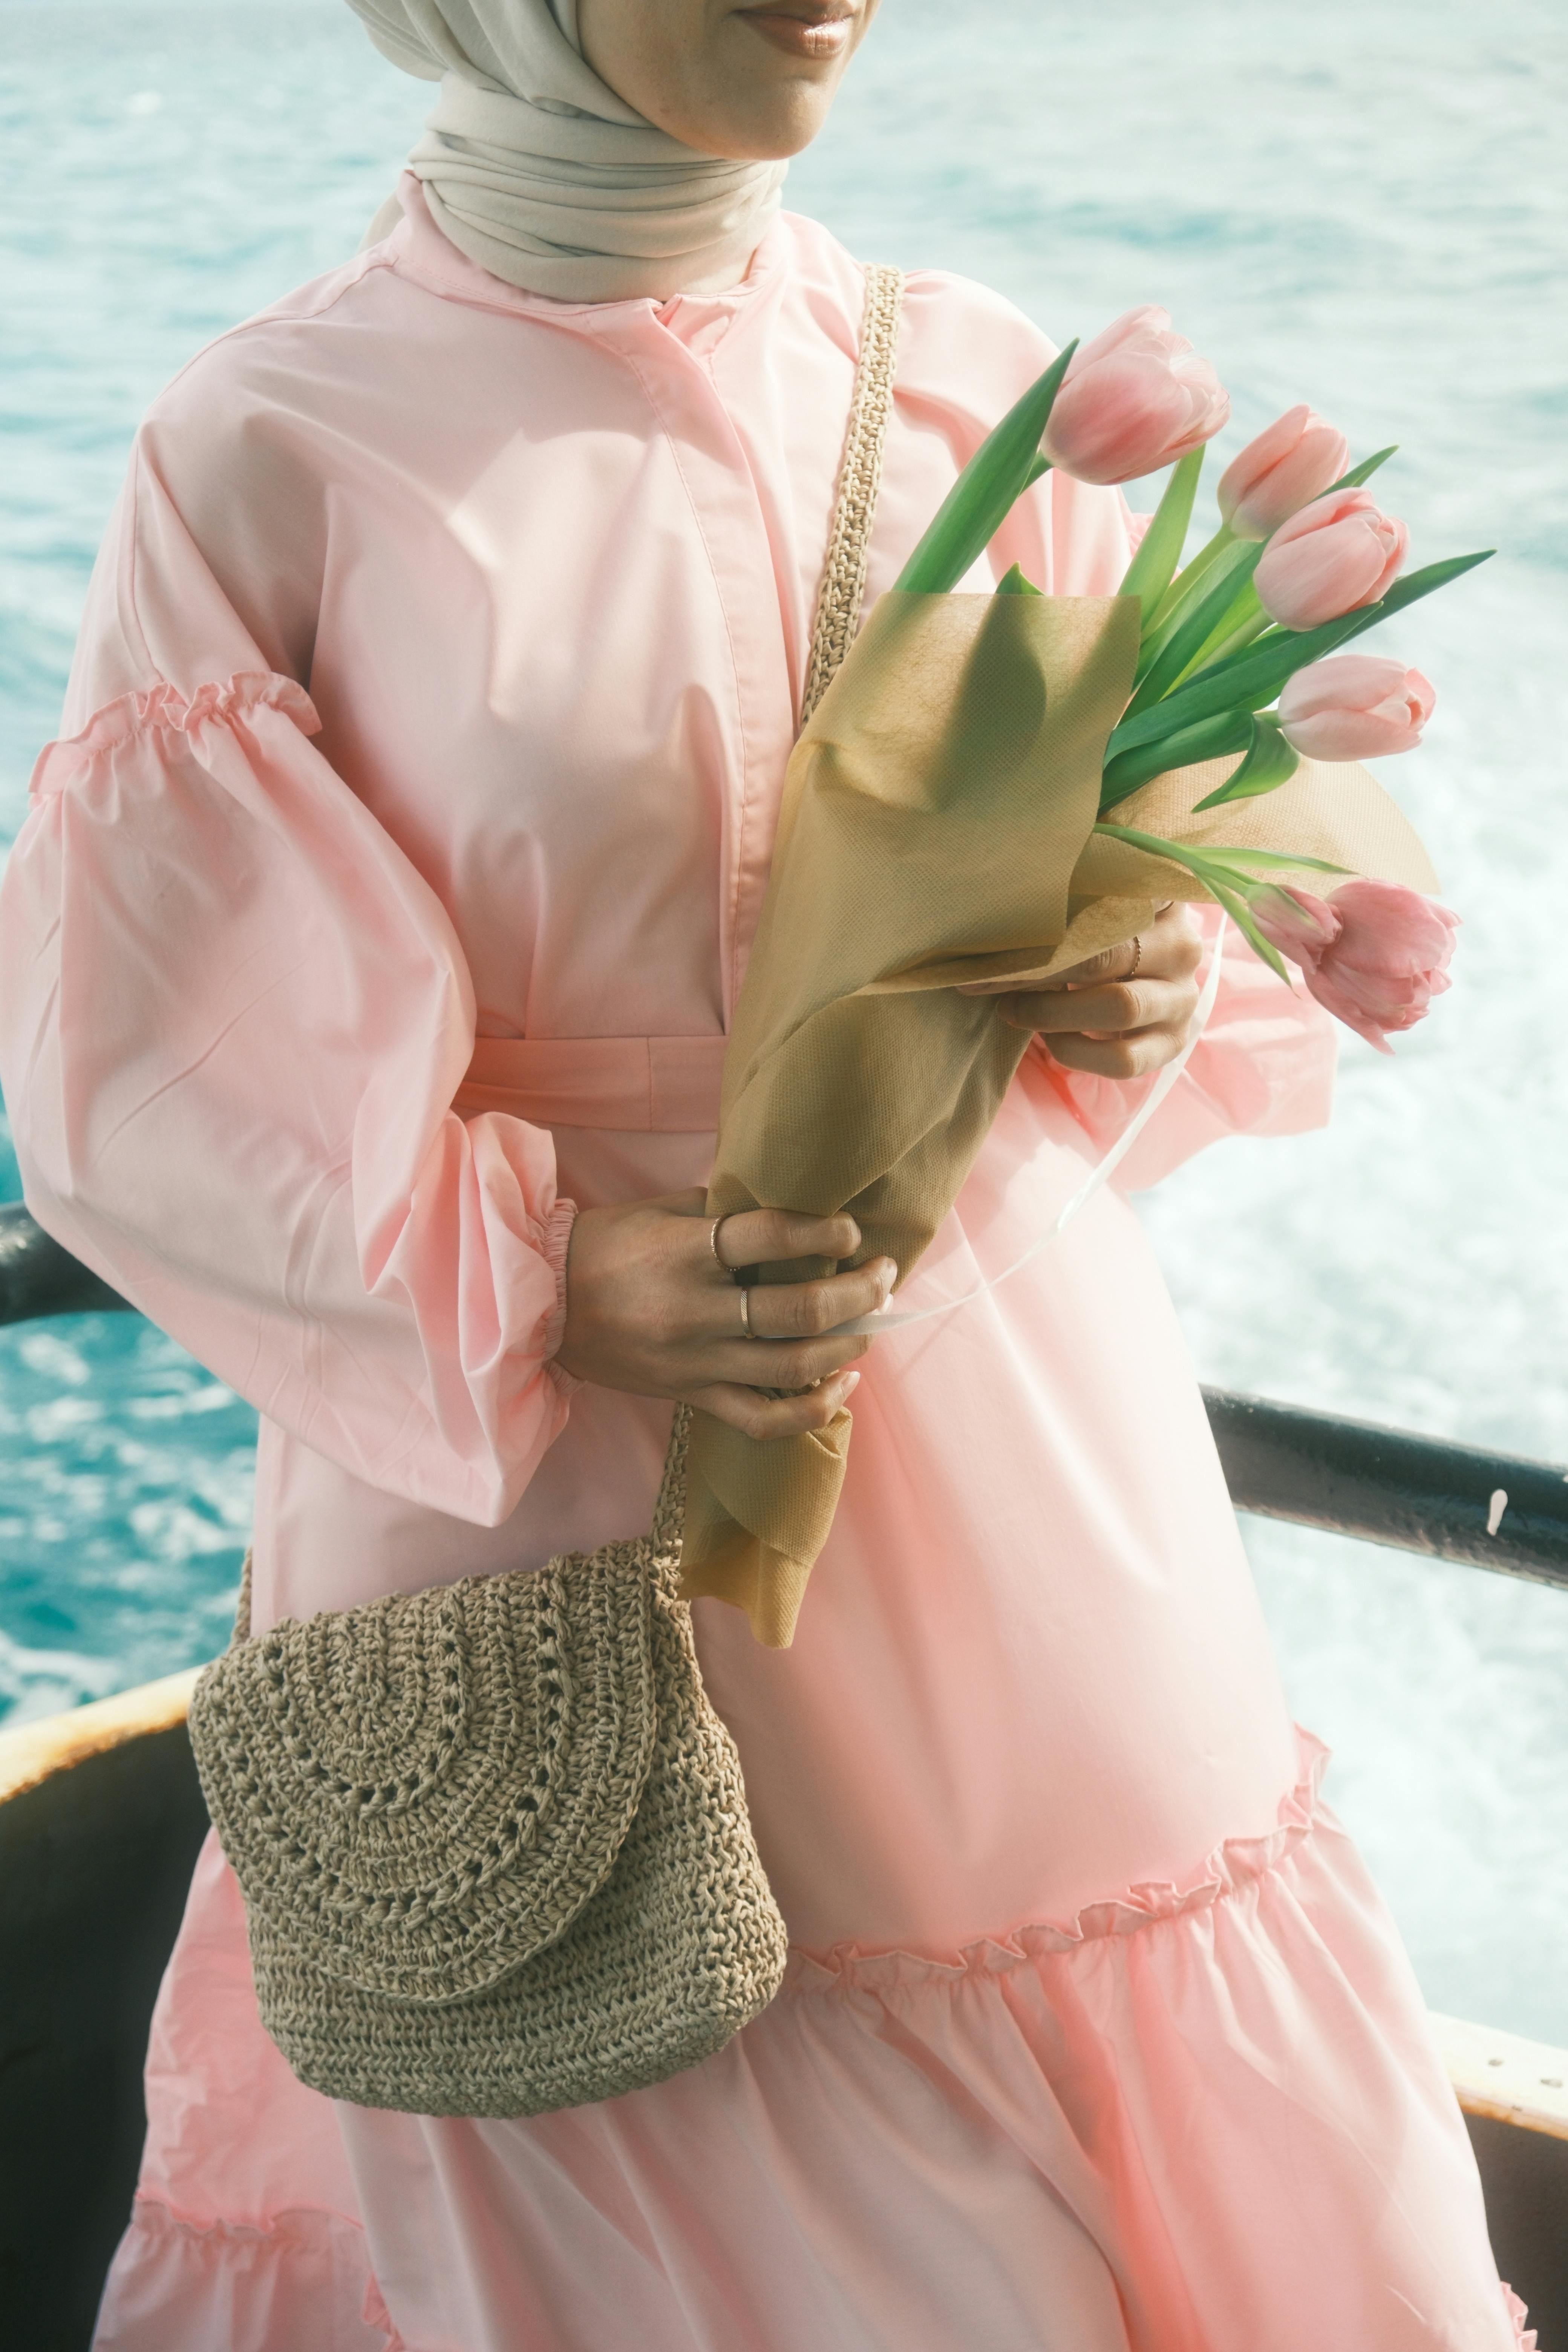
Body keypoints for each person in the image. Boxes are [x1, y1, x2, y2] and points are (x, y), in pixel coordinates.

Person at [0, 2, 1532, 2347]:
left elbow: (1113, 903)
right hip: (522, 1502)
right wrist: (554, 1275)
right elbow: (155, 1056)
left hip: (1018, 1517)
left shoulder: (969, 381)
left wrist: (1109, 983)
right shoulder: (272, 439)